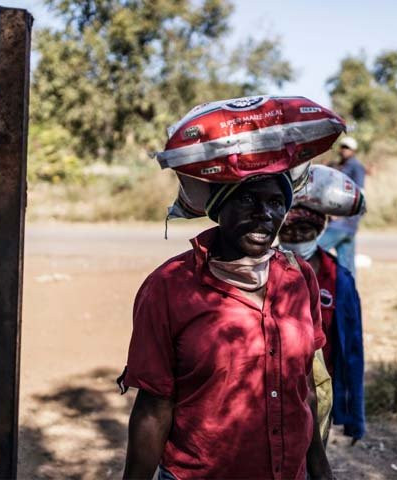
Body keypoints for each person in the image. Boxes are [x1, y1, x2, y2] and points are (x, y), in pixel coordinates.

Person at [119, 173, 333, 480]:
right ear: (220, 207)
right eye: (247, 199)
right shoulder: (169, 286)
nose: (265, 213)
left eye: (275, 201)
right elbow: (154, 407)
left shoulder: (299, 279)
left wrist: (320, 469)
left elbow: (305, 387)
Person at [279, 204, 365, 442]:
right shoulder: (261, 268)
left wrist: (354, 418)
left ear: (318, 231)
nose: (295, 236)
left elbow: (352, 348)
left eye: (304, 229)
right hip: (272, 387)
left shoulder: (338, 278)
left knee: (314, 452)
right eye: (287, 229)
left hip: (319, 388)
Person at [318, 136, 366, 274]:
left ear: (354, 150)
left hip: (343, 220)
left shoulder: (355, 167)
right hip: (347, 224)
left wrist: (341, 212)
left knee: (313, 251)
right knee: (347, 263)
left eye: (347, 148)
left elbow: (359, 193)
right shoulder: (341, 166)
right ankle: (349, 293)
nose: (344, 150)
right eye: (343, 147)